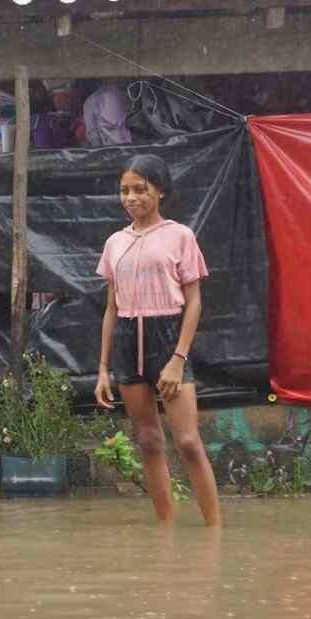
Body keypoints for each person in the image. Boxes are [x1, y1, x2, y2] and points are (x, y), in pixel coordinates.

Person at [94, 154, 221, 527]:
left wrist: (178, 358)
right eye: (124, 191)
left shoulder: (180, 236)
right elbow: (111, 308)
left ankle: (215, 532)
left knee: (186, 441)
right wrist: (103, 369)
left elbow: (195, 302)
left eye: (140, 189)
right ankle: (165, 529)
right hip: (127, 340)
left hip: (168, 338)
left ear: (160, 191)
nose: (131, 198)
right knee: (149, 440)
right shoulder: (114, 243)